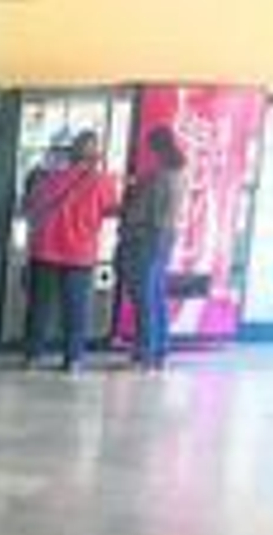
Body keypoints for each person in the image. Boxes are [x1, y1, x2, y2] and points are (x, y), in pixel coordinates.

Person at [19, 129, 122, 372]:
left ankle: (32, 356)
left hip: (45, 250)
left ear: (71, 153)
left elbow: (31, 204)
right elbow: (112, 210)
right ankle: (73, 358)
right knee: (76, 310)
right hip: (80, 254)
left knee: (40, 308)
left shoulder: (50, 178)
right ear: (96, 154)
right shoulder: (103, 181)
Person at [116, 125, 188, 371]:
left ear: (156, 148)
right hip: (166, 238)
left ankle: (145, 352)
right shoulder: (180, 174)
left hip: (147, 238)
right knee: (156, 295)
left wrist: (130, 198)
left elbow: (142, 212)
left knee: (144, 297)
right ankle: (160, 349)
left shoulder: (159, 177)